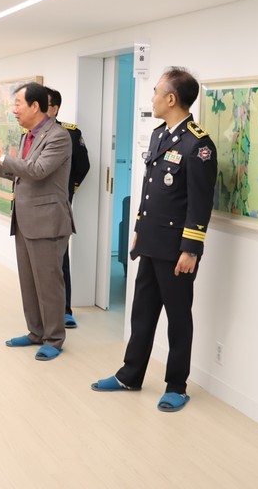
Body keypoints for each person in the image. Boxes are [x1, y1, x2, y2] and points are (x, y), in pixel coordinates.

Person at [91, 67, 218, 412]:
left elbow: (200, 202)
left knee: (178, 319)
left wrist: (191, 249)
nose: (152, 98)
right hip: (150, 242)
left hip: (177, 250)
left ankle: (176, 385)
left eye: (156, 92)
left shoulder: (198, 145)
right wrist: (138, 229)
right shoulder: (160, 135)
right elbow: (151, 191)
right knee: (142, 314)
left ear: (171, 99)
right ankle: (130, 375)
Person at [0, 82, 73, 361]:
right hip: (25, 219)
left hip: (48, 222)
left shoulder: (59, 136)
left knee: (49, 283)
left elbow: (38, 170)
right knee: (29, 282)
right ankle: (36, 332)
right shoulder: (27, 135)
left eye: (17, 104)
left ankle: (54, 338)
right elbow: (23, 173)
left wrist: (3, 157)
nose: (13, 110)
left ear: (35, 106)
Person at [45, 87, 90, 329]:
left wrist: (69, 189)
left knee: (61, 255)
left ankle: (65, 310)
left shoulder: (70, 133)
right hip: (35, 207)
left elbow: (83, 165)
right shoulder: (28, 134)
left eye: (44, 104)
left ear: (55, 109)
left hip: (59, 203)